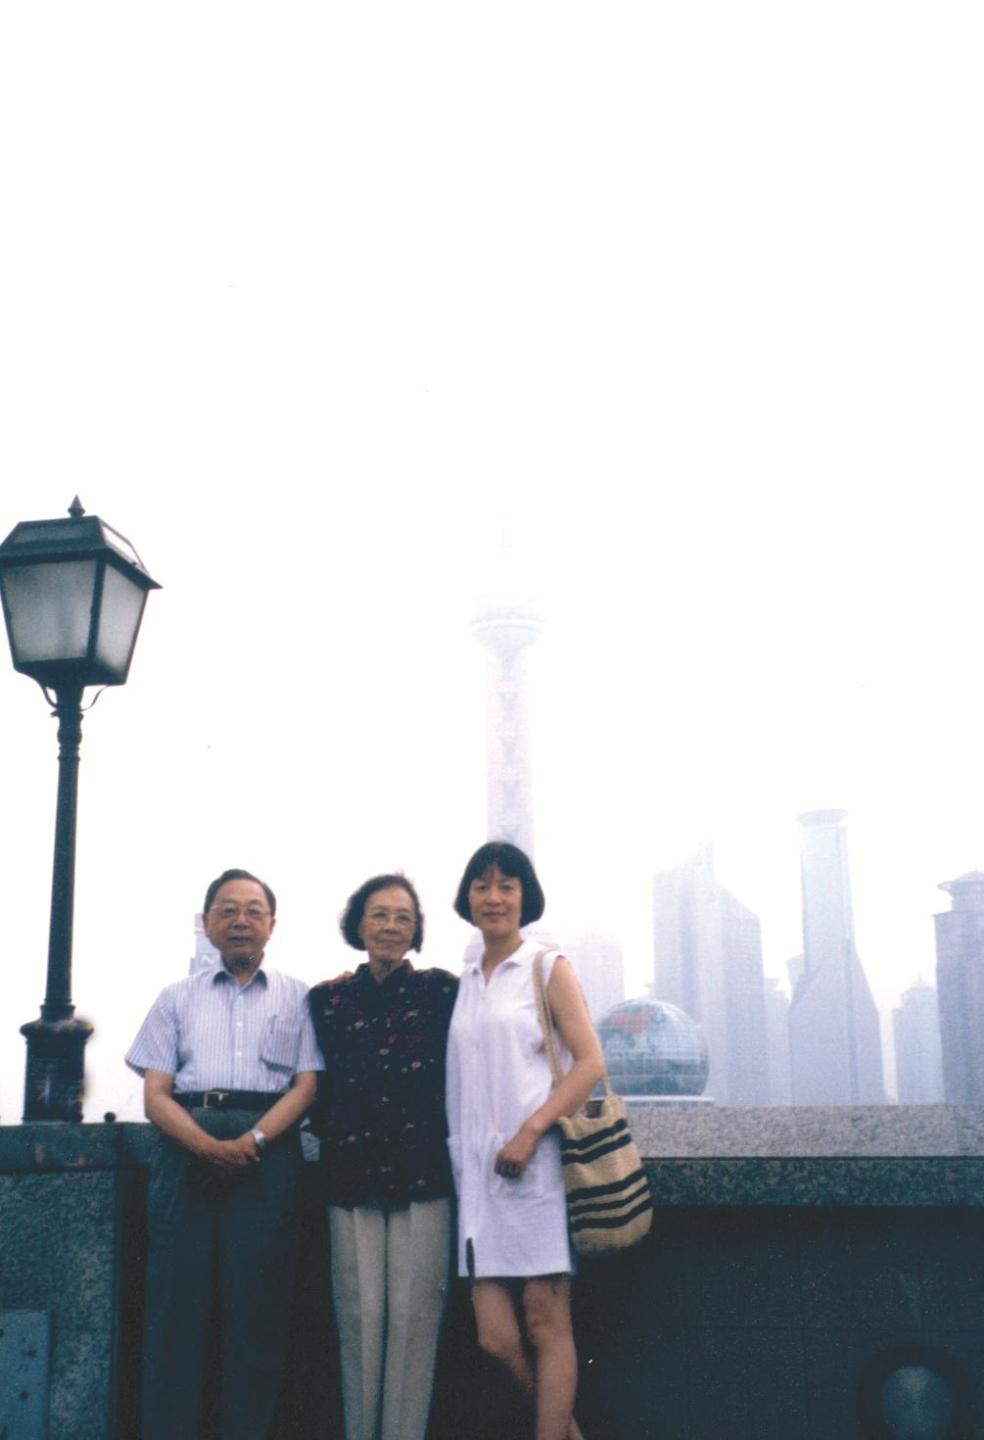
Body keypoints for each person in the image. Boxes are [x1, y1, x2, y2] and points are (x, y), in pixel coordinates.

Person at [126, 867, 323, 1440]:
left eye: (254, 911)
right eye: (228, 910)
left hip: (269, 1154)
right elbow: (156, 1095)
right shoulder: (175, 998)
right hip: (185, 1147)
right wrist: (207, 1145)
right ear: (206, 923)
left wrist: (251, 1141)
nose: (241, 920)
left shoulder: (298, 997)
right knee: (175, 1310)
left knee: (258, 1311)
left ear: (272, 925)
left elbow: (306, 1087)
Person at [445, 841, 606, 1440]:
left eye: (506, 886)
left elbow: (590, 1063)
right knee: (495, 1337)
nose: (493, 897)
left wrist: (531, 1130)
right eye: (482, 885)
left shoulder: (546, 966)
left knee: (545, 1325)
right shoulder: (466, 980)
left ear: (524, 897)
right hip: (477, 1182)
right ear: (467, 897)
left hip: (534, 1170)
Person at [308, 873, 458, 1440]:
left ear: (416, 930)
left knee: (416, 1320)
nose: (391, 926)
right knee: (359, 1317)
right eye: (379, 914)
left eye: (403, 917)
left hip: (424, 1172)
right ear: (358, 924)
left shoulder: (443, 992)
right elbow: (311, 1085)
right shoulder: (326, 1000)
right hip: (349, 1174)